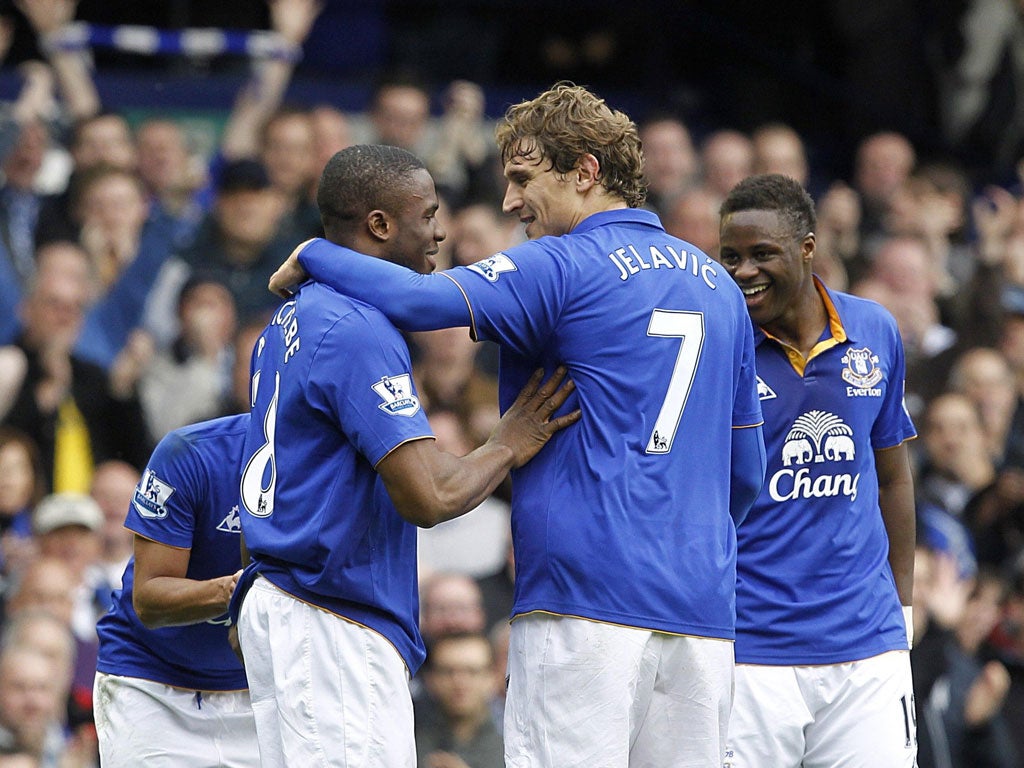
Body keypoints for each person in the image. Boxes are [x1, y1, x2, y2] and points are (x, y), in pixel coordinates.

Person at [268, 83, 766, 767]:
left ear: (586, 173)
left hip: (582, 599)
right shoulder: (722, 289)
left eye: (525, 179)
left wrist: (316, 254)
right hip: (703, 615)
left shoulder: (562, 263)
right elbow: (746, 474)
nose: (509, 201)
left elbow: (416, 300)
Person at [234, 144, 580, 768]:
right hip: (330, 616)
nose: (441, 231)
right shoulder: (357, 329)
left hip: (286, 602)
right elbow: (428, 495)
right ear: (379, 225)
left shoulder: (287, 321)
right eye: (428, 214)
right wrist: (506, 443)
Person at [716, 173, 917, 767]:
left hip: (867, 648)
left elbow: (894, 477)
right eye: (730, 256)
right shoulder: (721, 344)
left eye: (761, 255)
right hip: (750, 649)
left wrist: (901, 612)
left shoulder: (874, 329)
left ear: (807, 249)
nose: (743, 271)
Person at [93, 413, 257, 767]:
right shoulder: (190, 453)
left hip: (262, 690)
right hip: (152, 685)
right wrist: (240, 591)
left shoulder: (342, 459)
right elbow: (149, 600)